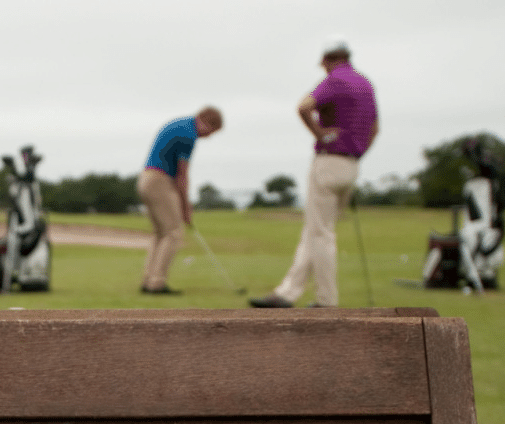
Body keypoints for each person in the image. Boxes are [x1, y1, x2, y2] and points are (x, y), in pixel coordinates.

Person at [250, 38, 378, 308]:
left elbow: (303, 106)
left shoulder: (334, 81)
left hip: (329, 162)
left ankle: (326, 300)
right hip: (352, 165)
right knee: (315, 230)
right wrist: (358, 151)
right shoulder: (366, 84)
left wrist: (319, 133)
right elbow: (375, 127)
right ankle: (287, 293)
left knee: (321, 234)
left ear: (328, 60)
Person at [137, 107, 223, 294]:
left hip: (145, 179)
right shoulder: (188, 134)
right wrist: (186, 207)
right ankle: (156, 283)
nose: (208, 137)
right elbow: (182, 176)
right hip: (159, 180)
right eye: (211, 131)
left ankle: (148, 280)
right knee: (174, 232)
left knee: (160, 233)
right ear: (206, 122)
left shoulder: (179, 124)